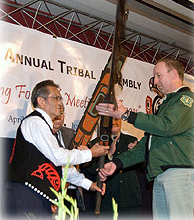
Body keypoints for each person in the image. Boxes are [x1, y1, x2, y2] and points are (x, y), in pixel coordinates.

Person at [96, 58, 194, 220]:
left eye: (159, 76)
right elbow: (146, 146)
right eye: (154, 77)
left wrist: (127, 114)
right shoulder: (166, 105)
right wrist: (117, 163)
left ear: (173, 74)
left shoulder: (187, 100)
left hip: (179, 173)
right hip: (161, 174)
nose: (155, 82)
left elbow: (166, 126)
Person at [5, 79, 109, 219]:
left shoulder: (47, 130)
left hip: (36, 197)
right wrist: (91, 153)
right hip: (26, 195)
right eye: (56, 98)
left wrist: (89, 184)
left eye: (61, 98)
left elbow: (61, 167)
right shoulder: (35, 122)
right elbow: (58, 157)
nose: (60, 102)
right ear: (41, 101)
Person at [82, 118, 143, 220]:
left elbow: (143, 169)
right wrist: (108, 156)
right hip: (106, 202)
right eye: (110, 120)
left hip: (131, 201)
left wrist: (136, 156)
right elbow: (90, 170)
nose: (114, 122)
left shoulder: (132, 140)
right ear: (104, 123)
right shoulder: (96, 144)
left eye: (116, 119)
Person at [52, 104, 105, 212]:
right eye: (55, 114)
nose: (58, 117)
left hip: (71, 192)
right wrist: (90, 153)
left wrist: (89, 184)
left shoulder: (72, 134)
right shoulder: (43, 135)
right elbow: (58, 161)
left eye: (61, 114)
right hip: (50, 193)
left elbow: (71, 168)